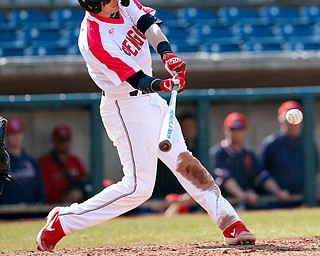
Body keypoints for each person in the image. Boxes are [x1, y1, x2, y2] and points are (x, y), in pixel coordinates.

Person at [36, 0, 255, 251]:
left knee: (186, 162)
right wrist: (163, 84)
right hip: (125, 108)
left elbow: (148, 25)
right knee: (138, 188)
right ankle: (63, 222)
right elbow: (136, 79)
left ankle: (230, 223)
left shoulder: (121, 3)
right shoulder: (94, 40)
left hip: (150, 102)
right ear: (94, 5)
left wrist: (167, 55)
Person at [209, 112, 289, 210]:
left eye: (239, 129)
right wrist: (242, 195)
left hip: (245, 203)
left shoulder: (248, 154)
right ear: (225, 130)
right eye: (232, 129)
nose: (236, 133)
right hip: (223, 205)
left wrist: (278, 192)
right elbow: (225, 179)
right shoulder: (217, 153)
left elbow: (262, 176)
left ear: (245, 131)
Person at [257, 100, 319, 207]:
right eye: (288, 120)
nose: (293, 124)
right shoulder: (271, 144)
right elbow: (260, 173)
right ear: (281, 121)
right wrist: (277, 191)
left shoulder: (308, 144)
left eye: (296, 120)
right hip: (275, 200)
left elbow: (315, 169)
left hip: (303, 199)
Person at [39, 125, 91, 204]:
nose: (64, 144)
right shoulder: (45, 162)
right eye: (61, 141)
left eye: (66, 140)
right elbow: (43, 190)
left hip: (76, 204)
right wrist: (63, 198)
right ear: (54, 141)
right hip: (54, 204)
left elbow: (84, 182)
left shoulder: (75, 160)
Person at [0, 118, 45, 208]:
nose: (16, 137)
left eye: (18, 133)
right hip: (7, 214)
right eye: (12, 133)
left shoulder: (31, 162)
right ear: (6, 136)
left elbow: (39, 191)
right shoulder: (2, 161)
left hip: (31, 213)